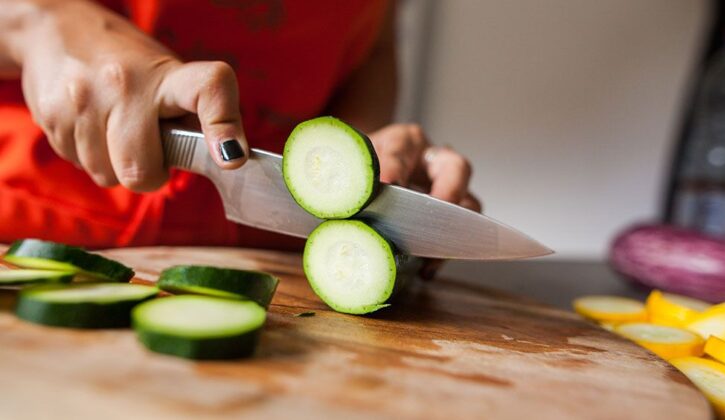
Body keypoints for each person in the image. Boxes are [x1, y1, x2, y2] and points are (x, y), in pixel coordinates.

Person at [0, 0, 479, 271]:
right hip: (35, 220)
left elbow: (374, 45)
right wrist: (38, 21)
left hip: (275, 255)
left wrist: (358, 154)